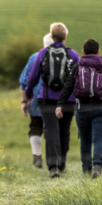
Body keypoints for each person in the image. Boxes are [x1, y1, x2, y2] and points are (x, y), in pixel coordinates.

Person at [56, 38, 102, 179]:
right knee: (99, 140)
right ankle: (97, 167)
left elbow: (68, 87)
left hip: (82, 109)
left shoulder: (78, 66)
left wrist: (60, 105)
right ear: (98, 51)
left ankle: (86, 170)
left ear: (83, 52)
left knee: (85, 140)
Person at [24, 22, 79, 178]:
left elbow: (33, 76)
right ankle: (62, 164)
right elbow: (79, 78)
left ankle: (53, 167)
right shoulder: (73, 55)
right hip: (67, 100)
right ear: (65, 37)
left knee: (50, 131)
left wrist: (28, 92)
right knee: (64, 131)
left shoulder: (42, 53)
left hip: (47, 99)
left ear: (52, 36)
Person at [19, 33, 54, 168]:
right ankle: (55, 160)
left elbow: (23, 81)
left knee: (35, 128)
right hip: (55, 100)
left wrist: (24, 101)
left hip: (35, 98)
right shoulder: (63, 57)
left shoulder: (34, 58)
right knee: (53, 130)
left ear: (43, 44)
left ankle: (37, 157)